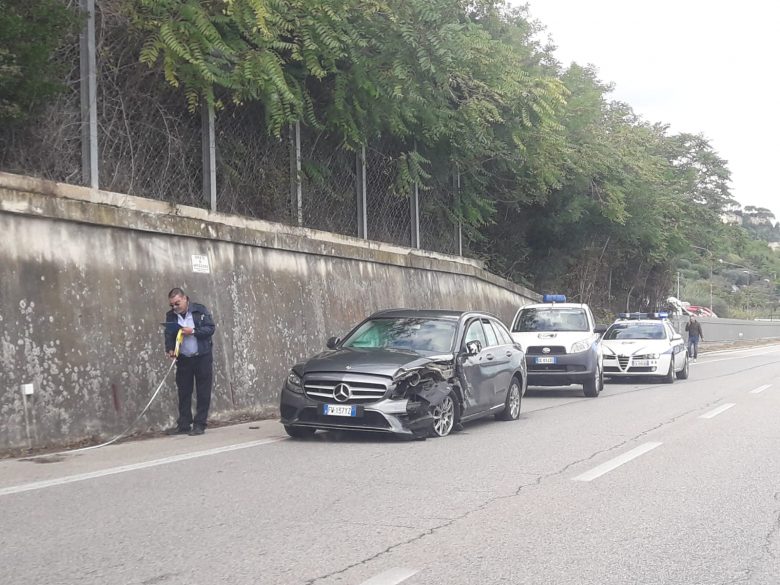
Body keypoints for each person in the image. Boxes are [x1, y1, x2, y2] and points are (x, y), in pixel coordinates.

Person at [164, 288, 216, 435]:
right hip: (184, 359)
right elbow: (169, 334)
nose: (174, 307)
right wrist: (170, 349)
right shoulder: (171, 316)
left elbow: (210, 329)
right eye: (172, 305)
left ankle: (200, 424)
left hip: (202, 356)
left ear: (185, 299)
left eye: (177, 304)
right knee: (184, 392)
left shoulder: (199, 310)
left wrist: (192, 331)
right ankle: (184, 424)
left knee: (203, 392)